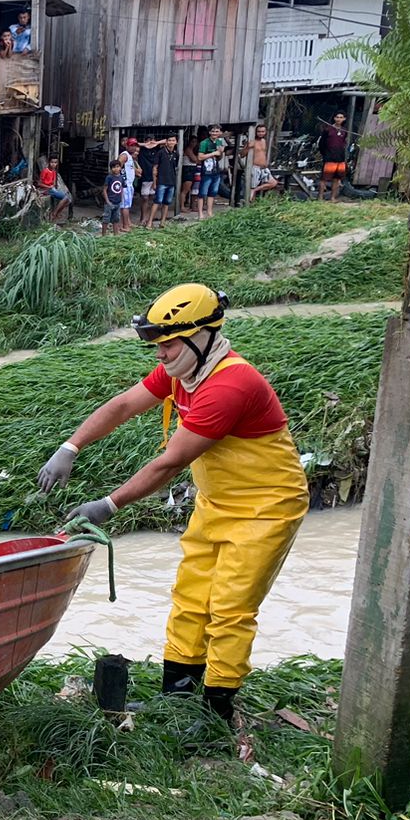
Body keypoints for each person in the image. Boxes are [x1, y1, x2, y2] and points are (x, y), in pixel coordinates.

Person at [35, 283, 307, 729]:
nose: (161, 355)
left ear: (202, 336)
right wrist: (71, 445)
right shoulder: (186, 372)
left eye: (169, 343)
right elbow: (124, 405)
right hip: (218, 501)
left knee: (231, 608)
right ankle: (176, 699)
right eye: (157, 345)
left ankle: (215, 713)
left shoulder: (230, 384)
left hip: (267, 505)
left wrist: (108, 503)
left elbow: (171, 462)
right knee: (190, 597)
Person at [144, 134, 179, 229]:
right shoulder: (160, 152)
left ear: (176, 142)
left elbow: (174, 167)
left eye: (173, 140)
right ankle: (149, 222)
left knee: (167, 202)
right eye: (169, 140)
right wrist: (155, 182)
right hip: (161, 181)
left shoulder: (176, 154)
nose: (171, 142)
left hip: (171, 181)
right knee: (157, 201)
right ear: (166, 142)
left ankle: (162, 222)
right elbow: (155, 168)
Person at [196, 126, 228, 219]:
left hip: (216, 170)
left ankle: (209, 212)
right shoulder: (204, 143)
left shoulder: (219, 142)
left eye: (216, 131)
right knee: (202, 192)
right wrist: (214, 153)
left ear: (219, 133)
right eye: (213, 131)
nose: (214, 133)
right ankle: (200, 214)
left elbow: (219, 157)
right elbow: (200, 157)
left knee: (213, 192)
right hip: (206, 170)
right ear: (209, 132)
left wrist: (221, 153)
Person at [318, 112, 349, 201]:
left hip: (340, 158)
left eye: (341, 117)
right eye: (337, 117)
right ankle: (320, 197)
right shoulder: (328, 129)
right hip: (329, 158)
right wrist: (325, 154)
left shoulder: (344, 131)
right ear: (334, 118)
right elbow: (321, 144)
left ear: (344, 119)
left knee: (336, 179)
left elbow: (343, 143)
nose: (339, 119)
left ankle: (333, 198)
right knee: (324, 178)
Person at [38, 155, 71, 224]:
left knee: (68, 200)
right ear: (49, 163)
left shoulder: (54, 171)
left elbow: (53, 182)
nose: (53, 164)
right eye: (52, 162)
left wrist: (52, 186)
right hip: (45, 190)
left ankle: (57, 214)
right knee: (65, 198)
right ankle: (54, 213)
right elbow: (39, 184)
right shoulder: (45, 171)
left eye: (55, 162)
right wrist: (48, 187)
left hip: (51, 189)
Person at [249, 125, 279, 198]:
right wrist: (248, 147)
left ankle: (256, 190)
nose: (261, 133)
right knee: (251, 188)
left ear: (265, 132)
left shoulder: (264, 141)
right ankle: (249, 206)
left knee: (273, 183)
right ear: (256, 132)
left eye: (262, 132)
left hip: (264, 168)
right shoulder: (253, 142)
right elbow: (242, 154)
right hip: (255, 167)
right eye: (259, 132)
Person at [117, 137, 138, 232]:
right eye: (131, 145)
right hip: (125, 184)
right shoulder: (124, 155)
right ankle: (125, 226)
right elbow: (117, 167)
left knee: (126, 206)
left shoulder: (130, 156)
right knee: (125, 206)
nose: (133, 148)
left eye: (135, 145)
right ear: (127, 146)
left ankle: (125, 224)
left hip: (129, 184)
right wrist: (120, 181)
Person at [180, 132, 203, 216]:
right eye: (192, 141)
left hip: (192, 169)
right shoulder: (188, 150)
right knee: (185, 190)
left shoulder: (192, 150)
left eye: (195, 142)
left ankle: (188, 205)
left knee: (190, 189)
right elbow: (195, 160)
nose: (194, 143)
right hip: (188, 169)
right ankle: (181, 206)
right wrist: (200, 158)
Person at [101, 159, 125, 236]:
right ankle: (103, 235)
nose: (116, 169)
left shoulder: (121, 178)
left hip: (118, 202)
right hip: (110, 202)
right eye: (113, 167)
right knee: (106, 219)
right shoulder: (109, 177)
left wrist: (121, 198)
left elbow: (121, 188)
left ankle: (116, 234)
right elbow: (104, 190)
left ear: (120, 167)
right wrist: (107, 201)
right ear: (111, 169)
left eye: (117, 167)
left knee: (116, 219)